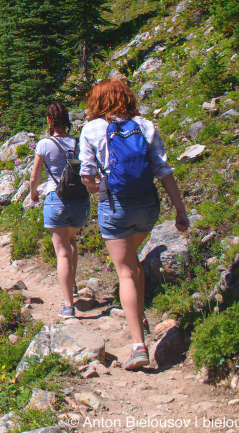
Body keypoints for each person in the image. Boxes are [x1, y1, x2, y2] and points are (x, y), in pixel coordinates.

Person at [79, 78, 189, 371]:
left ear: (98, 101)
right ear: (127, 98)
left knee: (126, 272)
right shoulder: (146, 126)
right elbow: (163, 170)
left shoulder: (91, 129)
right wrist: (180, 210)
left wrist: (97, 187)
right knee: (134, 263)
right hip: (148, 207)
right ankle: (137, 312)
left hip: (115, 207)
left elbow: (87, 177)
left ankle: (139, 346)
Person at [30, 103, 91, 318]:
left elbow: (35, 176)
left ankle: (68, 305)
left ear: (49, 120)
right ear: (67, 120)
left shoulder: (44, 144)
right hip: (81, 201)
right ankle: (72, 283)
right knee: (71, 241)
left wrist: (33, 192)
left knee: (62, 251)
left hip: (57, 200)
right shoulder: (77, 142)